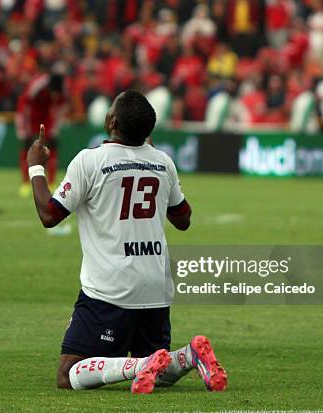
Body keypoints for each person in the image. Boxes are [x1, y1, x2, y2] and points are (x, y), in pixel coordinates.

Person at [25, 90, 228, 393]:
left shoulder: (90, 161)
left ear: (112, 121)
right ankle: (188, 357)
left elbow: (49, 214)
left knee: (67, 375)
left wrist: (36, 165)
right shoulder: (163, 162)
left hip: (111, 290)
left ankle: (138, 365)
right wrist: (157, 166)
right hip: (157, 289)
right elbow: (183, 220)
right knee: (157, 365)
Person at [15, 70, 67, 198]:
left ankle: (51, 183)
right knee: (27, 145)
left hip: (48, 117)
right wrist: (23, 127)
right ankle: (26, 183)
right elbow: (24, 105)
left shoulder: (63, 89)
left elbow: (62, 106)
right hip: (31, 117)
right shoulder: (37, 85)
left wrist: (56, 125)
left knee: (53, 144)